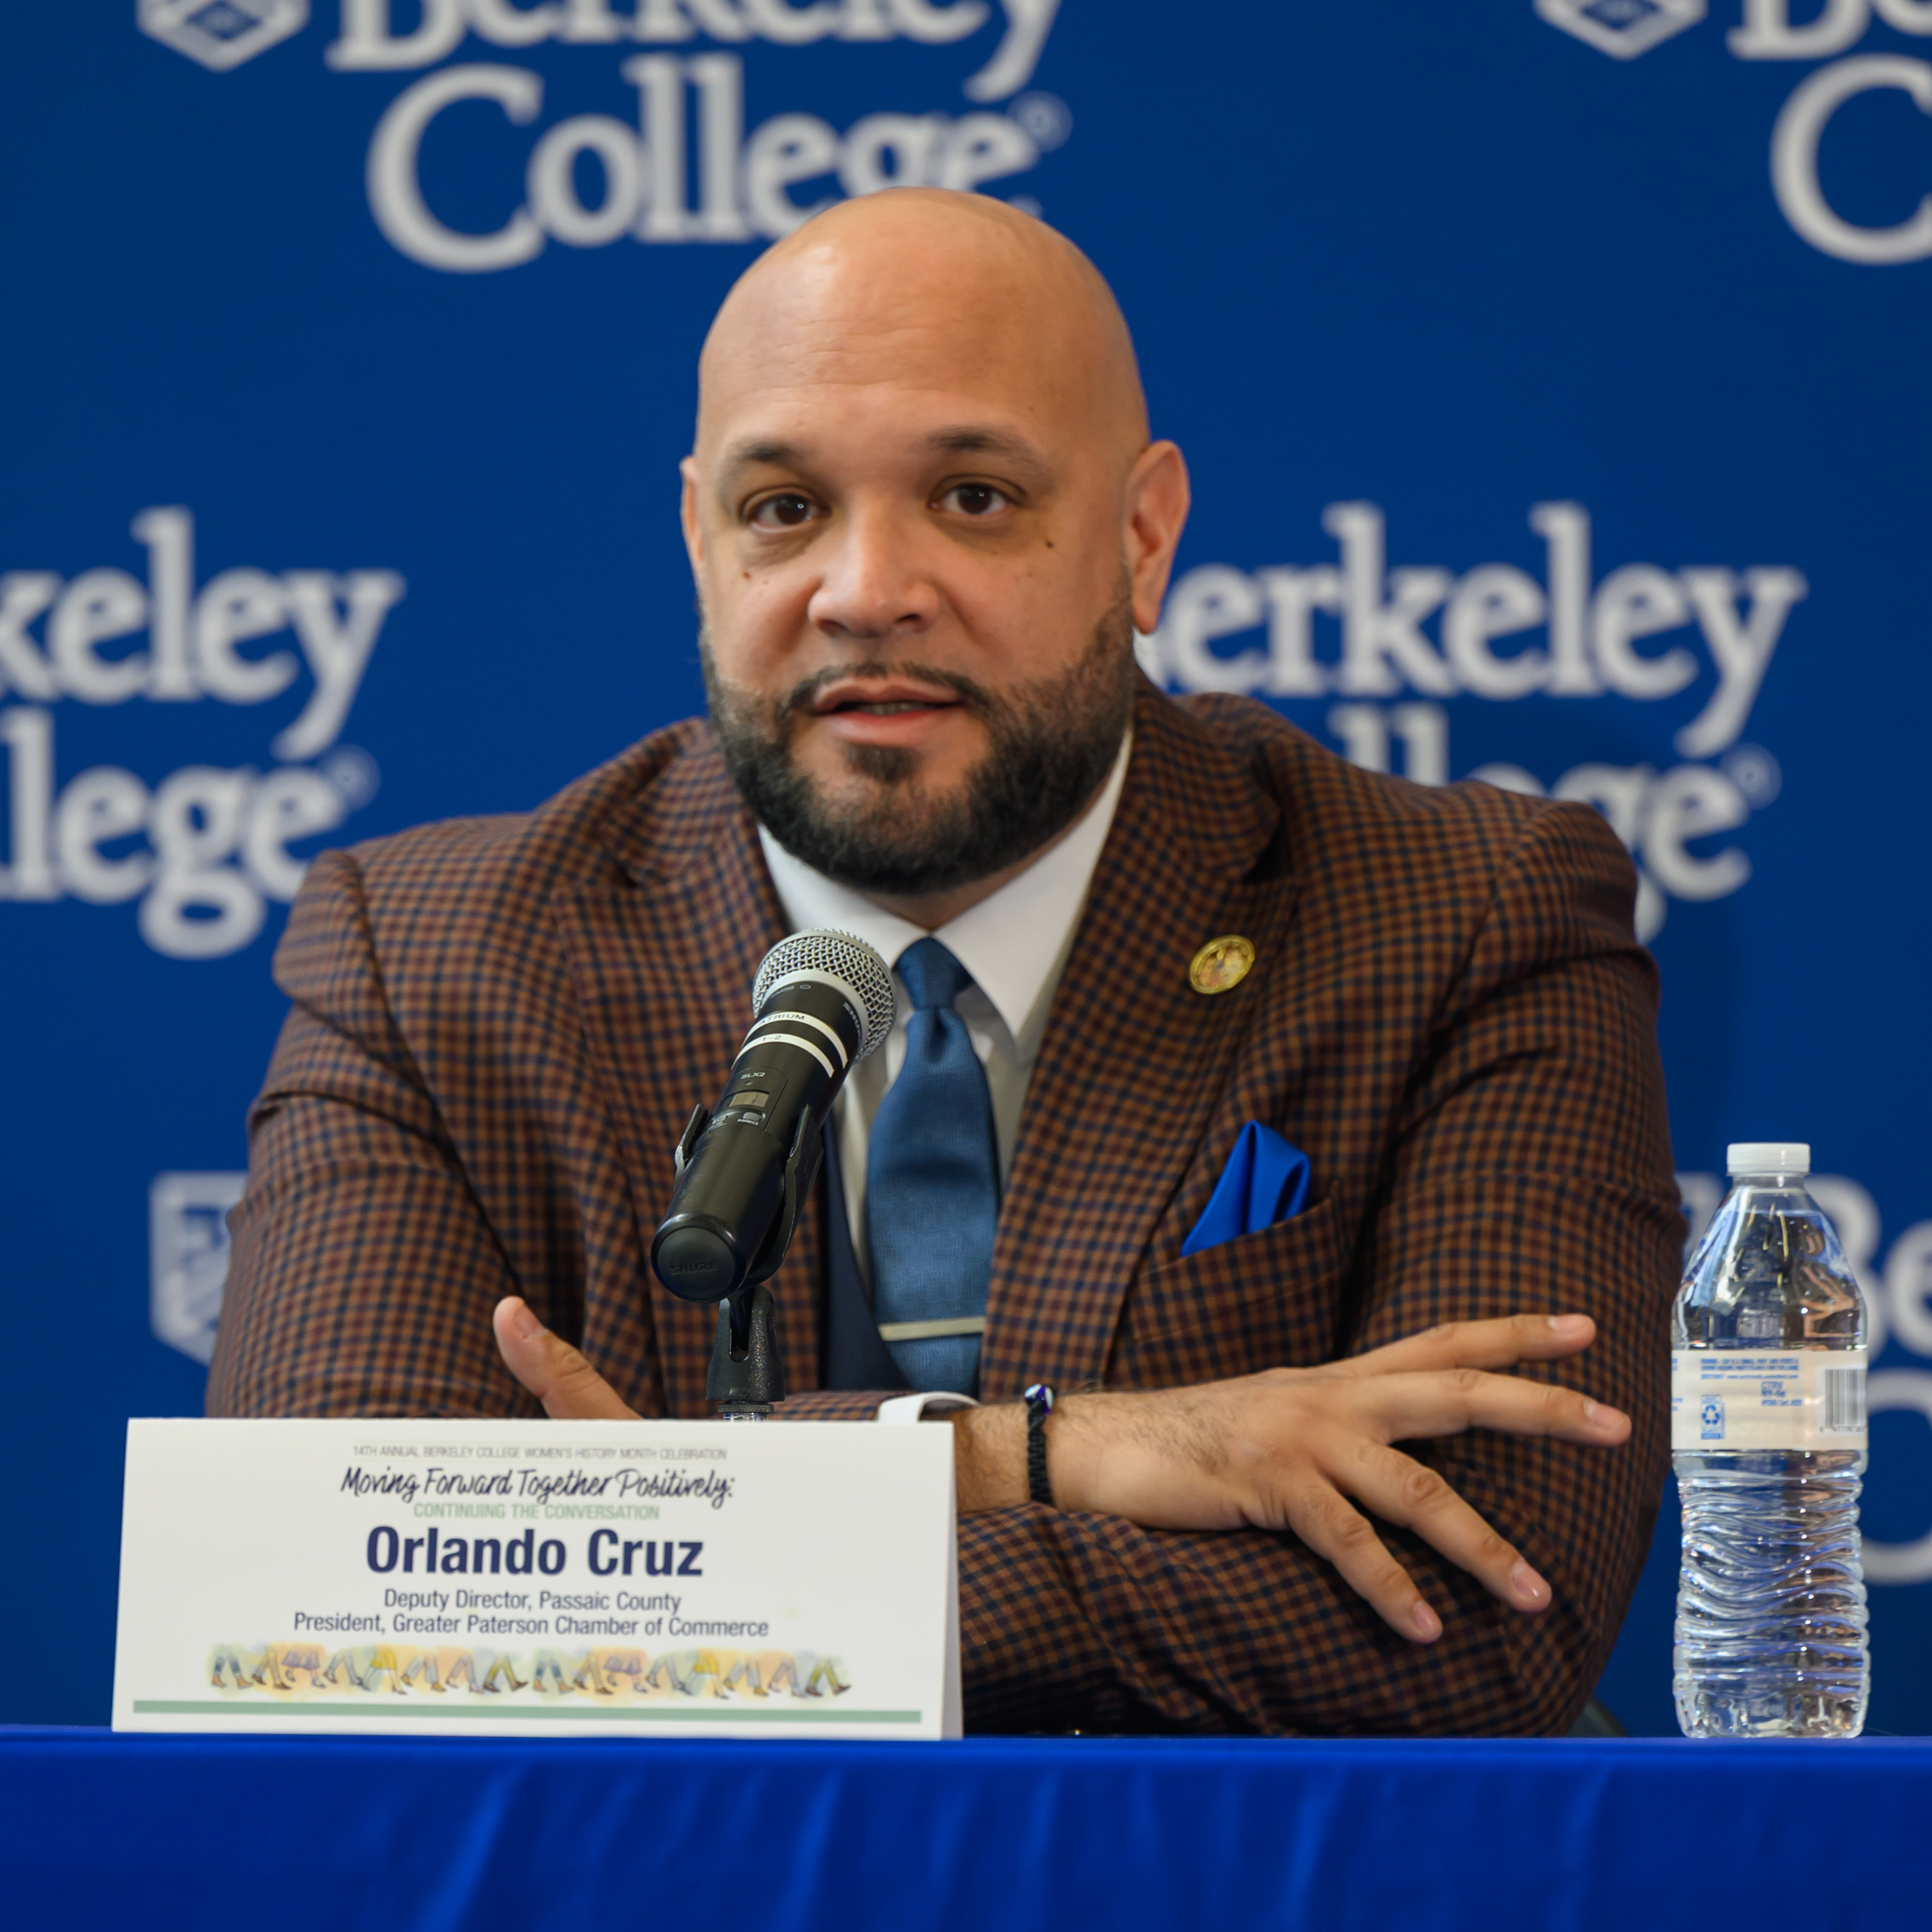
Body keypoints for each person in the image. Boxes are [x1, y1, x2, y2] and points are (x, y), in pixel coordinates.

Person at [206, 188, 1681, 1737]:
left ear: (1141, 535)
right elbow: (319, 1604)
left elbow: (1484, 1612)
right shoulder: (428, 952)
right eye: (783, 509)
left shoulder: (1462, 914)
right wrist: (1037, 1454)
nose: (863, 588)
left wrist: (659, 1540)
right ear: (701, 543)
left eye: (972, 496)